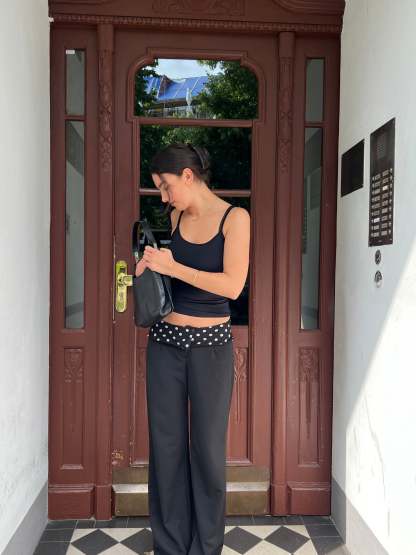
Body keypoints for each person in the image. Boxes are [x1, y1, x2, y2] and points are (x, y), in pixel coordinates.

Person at [135, 142, 250, 555]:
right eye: (159, 189)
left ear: (188, 176)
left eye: (166, 186)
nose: (164, 197)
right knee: (166, 448)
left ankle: (206, 547)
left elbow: (232, 286)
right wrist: (149, 270)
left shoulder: (236, 219)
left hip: (210, 347)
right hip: (165, 344)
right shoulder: (176, 217)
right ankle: (169, 545)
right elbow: (171, 281)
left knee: (207, 452)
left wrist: (175, 267)